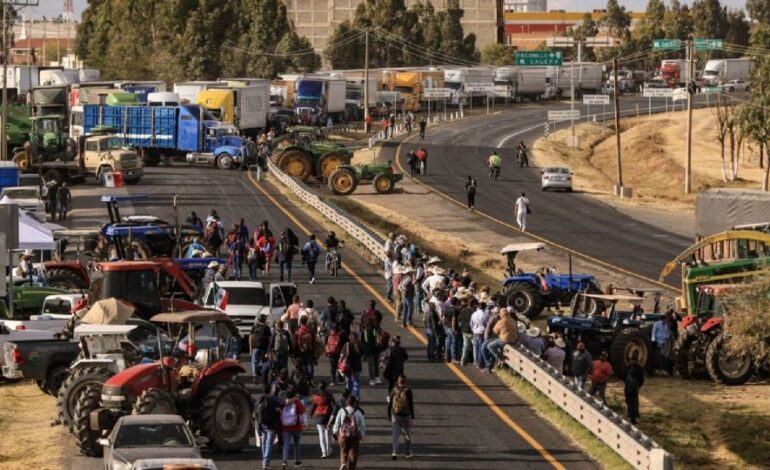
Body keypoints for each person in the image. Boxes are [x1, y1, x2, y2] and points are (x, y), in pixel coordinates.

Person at [332, 394, 366, 470]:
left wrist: (334, 432)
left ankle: (343, 463)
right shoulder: (358, 412)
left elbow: (337, 422)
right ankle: (351, 468)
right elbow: (362, 425)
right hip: (354, 435)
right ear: (354, 403)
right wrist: (361, 435)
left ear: (347, 402)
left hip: (343, 434)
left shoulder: (342, 410)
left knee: (343, 450)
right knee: (353, 453)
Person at [256, 388, 283, 470]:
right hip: (272, 425)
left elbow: (255, 413)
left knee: (263, 443)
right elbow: (282, 405)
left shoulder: (259, 400)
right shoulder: (273, 399)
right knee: (269, 444)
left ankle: (264, 459)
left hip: (262, 424)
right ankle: (266, 461)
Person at [388, 374, 414, 460]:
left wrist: (389, 414)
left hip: (395, 415)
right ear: (405, 381)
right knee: (406, 434)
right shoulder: (408, 391)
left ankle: (394, 451)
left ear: (397, 382)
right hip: (406, 416)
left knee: (395, 434)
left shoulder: (394, 390)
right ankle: (407, 452)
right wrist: (412, 416)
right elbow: (410, 404)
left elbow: (390, 404)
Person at [280, 389, 306, 469]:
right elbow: (302, 414)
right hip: (297, 427)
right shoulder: (298, 403)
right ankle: (297, 462)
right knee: (297, 444)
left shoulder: (283, 403)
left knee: (286, 445)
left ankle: (284, 461)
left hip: (285, 427)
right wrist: (304, 424)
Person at [359, 300, 383, 386]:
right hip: (375, 343)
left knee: (371, 362)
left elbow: (361, 326)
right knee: (376, 360)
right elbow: (379, 323)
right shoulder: (377, 314)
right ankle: (376, 377)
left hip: (367, 344)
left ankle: (372, 379)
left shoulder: (364, 313)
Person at [309, 381, 335, 459]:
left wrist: (310, 413)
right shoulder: (329, 396)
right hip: (328, 417)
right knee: (328, 434)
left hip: (319, 417)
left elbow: (313, 406)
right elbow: (334, 406)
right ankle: (328, 449)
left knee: (321, 435)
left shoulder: (316, 397)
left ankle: (323, 452)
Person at [624, 354, 645, 424]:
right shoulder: (628, 367)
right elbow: (624, 376)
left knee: (634, 403)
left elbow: (641, 379)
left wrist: (638, 386)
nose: (632, 362)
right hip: (628, 387)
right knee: (628, 402)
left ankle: (634, 416)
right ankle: (629, 415)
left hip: (634, 388)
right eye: (632, 361)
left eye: (634, 361)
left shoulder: (639, 369)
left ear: (636, 361)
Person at [250, 314, 272, 379]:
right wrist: (269, 348)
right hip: (264, 348)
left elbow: (250, 337)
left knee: (254, 361)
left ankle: (254, 375)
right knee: (265, 362)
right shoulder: (267, 328)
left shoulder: (254, 327)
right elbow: (270, 339)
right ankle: (263, 374)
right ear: (265, 320)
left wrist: (251, 348)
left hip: (255, 347)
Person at [470, 300, 489, 369]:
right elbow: (488, 324)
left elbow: (471, 324)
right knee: (481, 348)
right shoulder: (485, 314)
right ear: (484, 307)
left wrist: (473, 329)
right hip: (481, 332)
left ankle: (475, 362)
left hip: (475, 332)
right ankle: (479, 363)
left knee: (475, 347)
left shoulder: (474, 314)